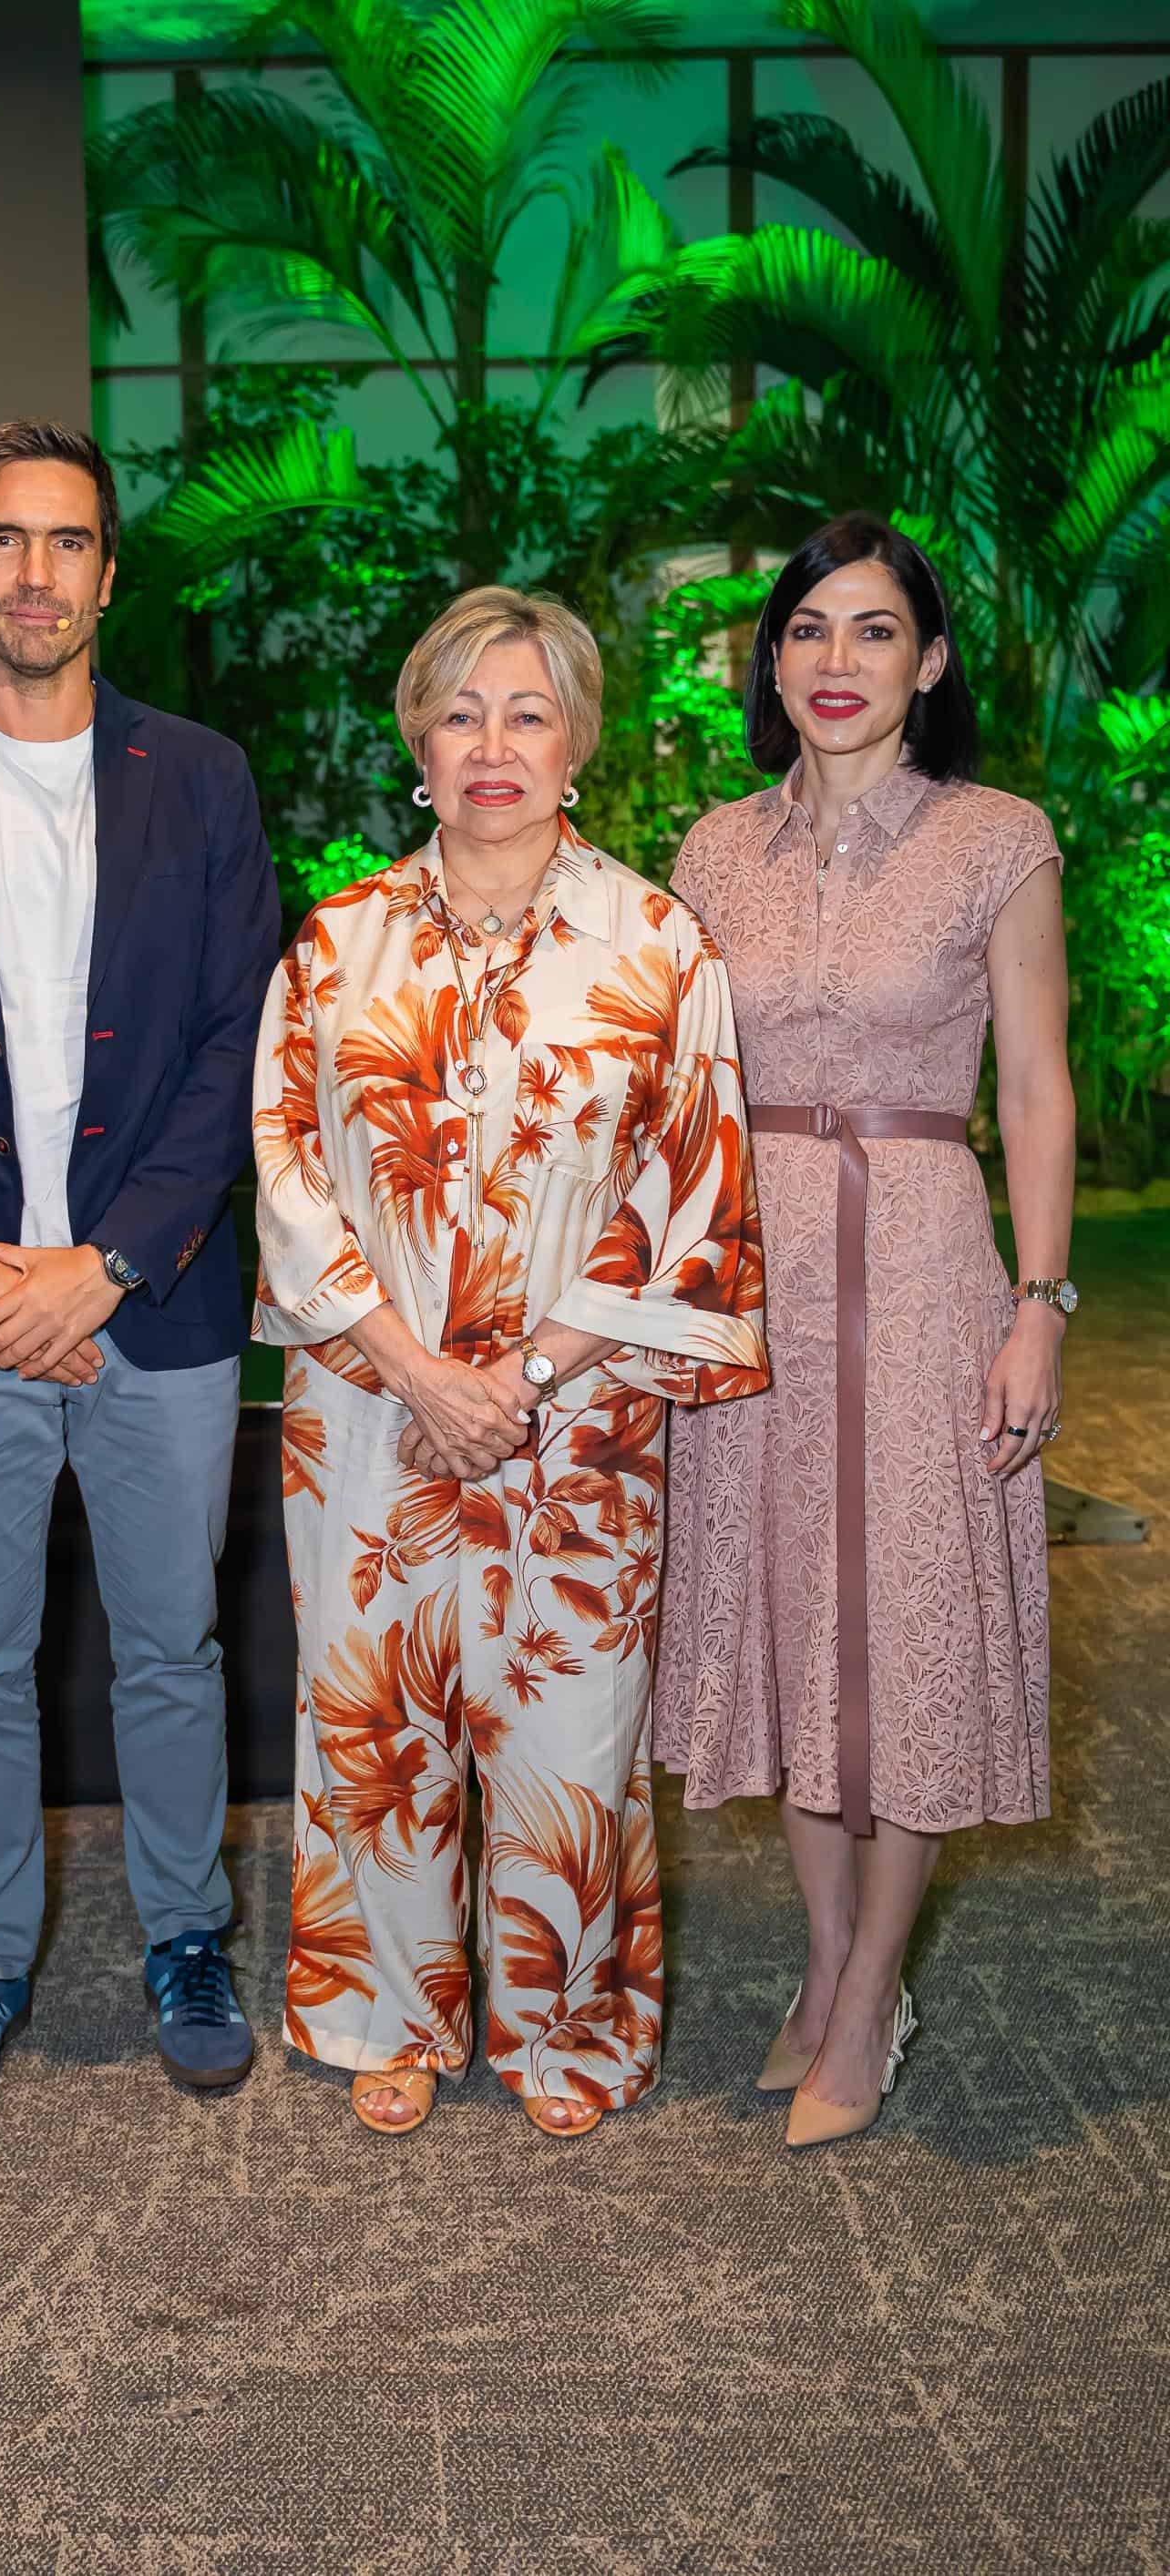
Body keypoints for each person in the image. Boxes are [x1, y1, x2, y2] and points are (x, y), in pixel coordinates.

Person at [252, 586, 766, 2138]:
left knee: (572, 1736)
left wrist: (523, 1377)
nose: (494, 745)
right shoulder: (335, 944)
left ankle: (566, 2023)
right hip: (368, 1399)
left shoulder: (661, 946)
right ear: (417, 742)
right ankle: (387, 2011)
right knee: (374, 1718)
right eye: (462, 714)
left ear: (577, 743)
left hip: (582, 1413)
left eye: (529, 713)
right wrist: (419, 1370)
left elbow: (691, 1190)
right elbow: (285, 1167)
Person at [0, 418, 280, 2129]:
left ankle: (185, 1938)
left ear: (108, 571)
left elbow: (239, 1043)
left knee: (172, 1650)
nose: (35, 572)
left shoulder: (201, 779)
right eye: (4, 540)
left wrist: (107, 1264)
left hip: (154, 1305)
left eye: (67, 540)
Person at [652, 514, 1074, 2150]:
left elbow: (1034, 1090)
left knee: (906, 1625)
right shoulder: (712, 852)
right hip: (757, 1275)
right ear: (773, 661)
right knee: (790, 1618)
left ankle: (878, 1976)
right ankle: (830, 1967)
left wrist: (1040, 1307)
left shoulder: (996, 840)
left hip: (920, 1265)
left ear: (931, 659)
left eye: (876, 629)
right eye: (810, 630)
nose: (839, 661)